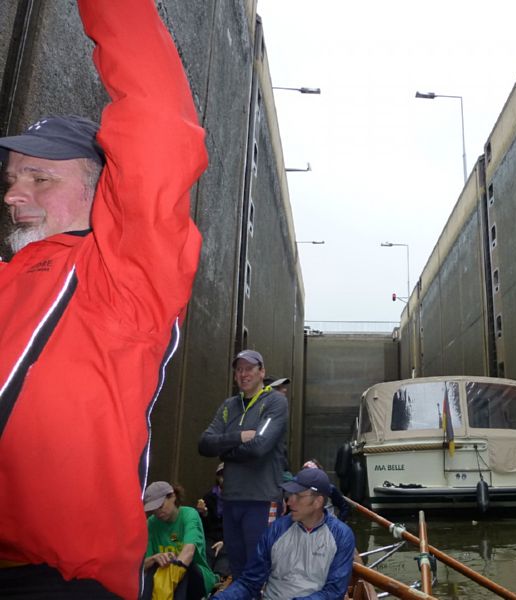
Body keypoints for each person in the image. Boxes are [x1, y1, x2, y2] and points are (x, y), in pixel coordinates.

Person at [0, 1, 206, 598]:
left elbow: (158, 128)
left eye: (40, 177)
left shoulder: (125, 276)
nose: (16, 194)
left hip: (59, 578)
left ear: (101, 190)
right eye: (11, 179)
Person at [198, 349, 289, 579]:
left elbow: (260, 446)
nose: (243, 374)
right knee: (237, 569)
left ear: (262, 372)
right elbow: (205, 444)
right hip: (231, 501)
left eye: (249, 368)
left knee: (261, 569)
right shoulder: (229, 406)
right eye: (239, 369)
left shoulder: (275, 402)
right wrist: (238, 437)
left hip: (262, 499)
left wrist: (225, 453)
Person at [213, 469, 356, 600]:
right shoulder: (277, 529)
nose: (289, 501)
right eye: (290, 495)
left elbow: (334, 592)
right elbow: (250, 582)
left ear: (318, 502)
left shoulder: (341, 536)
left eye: (298, 496)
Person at [143, 482, 216, 600]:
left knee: (184, 568)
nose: (158, 513)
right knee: (153, 569)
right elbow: (142, 565)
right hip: (162, 578)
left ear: (172, 497)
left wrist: (171, 577)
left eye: (160, 506)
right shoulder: (151, 523)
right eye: (153, 510)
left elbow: (189, 552)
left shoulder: (189, 515)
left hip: (195, 576)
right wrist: (154, 558)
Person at [196, 463, 227, 573]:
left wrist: (224, 541)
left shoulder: (239, 499)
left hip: (228, 539)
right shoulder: (209, 496)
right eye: (222, 475)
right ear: (218, 478)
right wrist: (204, 514)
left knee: (223, 567)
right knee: (205, 566)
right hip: (210, 538)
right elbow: (203, 527)